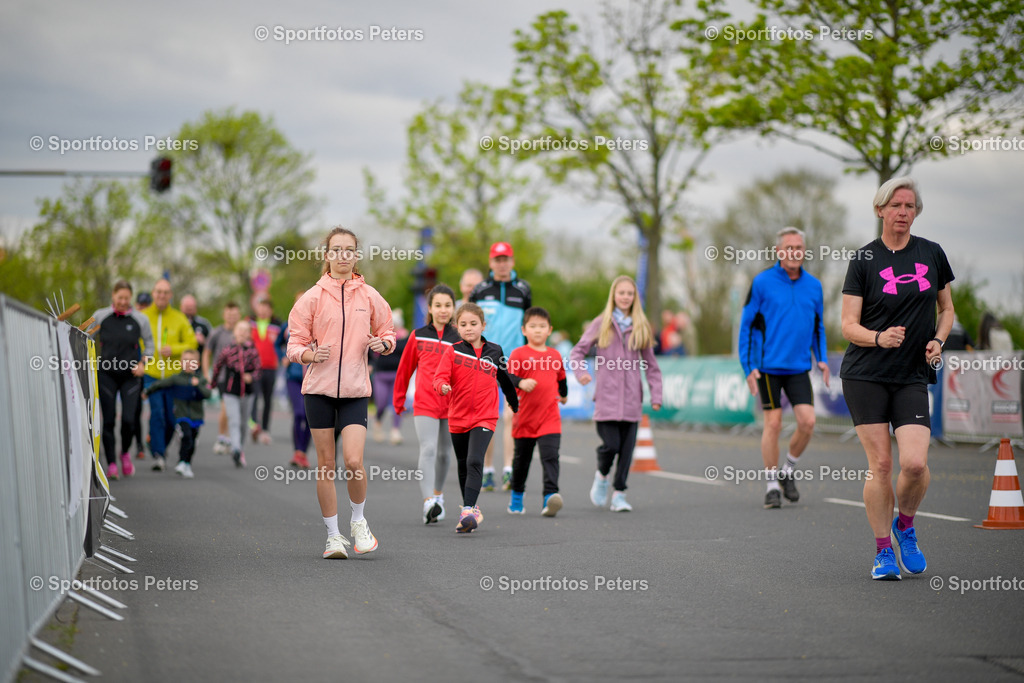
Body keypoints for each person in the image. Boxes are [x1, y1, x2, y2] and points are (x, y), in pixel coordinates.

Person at [839, 177, 954, 581]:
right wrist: (878, 337)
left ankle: (905, 524)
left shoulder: (932, 253)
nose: (904, 212)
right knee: (882, 464)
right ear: (880, 210)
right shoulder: (864, 259)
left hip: (911, 375)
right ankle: (882, 551)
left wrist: (939, 340)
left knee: (917, 463)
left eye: (910, 206)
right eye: (896, 205)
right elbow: (847, 326)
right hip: (865, 374)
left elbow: (947, 309)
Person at [286, 226, 395, 559]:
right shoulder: (313, 298)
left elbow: (388, 331)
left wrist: (384, 344)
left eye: (350, 250)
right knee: (326, 464)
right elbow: (294, 343)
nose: (343, 255)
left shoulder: (369, 296)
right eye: (337, 250)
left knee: (354, 462)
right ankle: (333, 537)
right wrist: (308, 355)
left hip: (354, 390)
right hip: (318, 390)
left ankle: (358, 522)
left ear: (356, 255)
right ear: (327, 255)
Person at [738, 227, 830, 509]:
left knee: (808, 422)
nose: (794, 252)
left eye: (799, 248)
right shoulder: (762, 282)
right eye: (789, 247)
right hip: (767, 368)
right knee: (774, 423)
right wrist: (748, 366)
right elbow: (747, 325)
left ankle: (787, 471)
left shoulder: (814, 286)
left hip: (799, 367)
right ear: (779, 251)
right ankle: (770, 486)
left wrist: (822, 358)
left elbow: (819, 326)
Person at [570, 275, 662, 512]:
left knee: (627, 450)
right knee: (610, 446)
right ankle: (601, 476)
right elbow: (577, 352)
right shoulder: (601, 323)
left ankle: (619, 494)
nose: (625, 297)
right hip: (606, 399)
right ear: (614, 295)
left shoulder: (641, 326)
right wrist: (582, 375)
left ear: (635, 298)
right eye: (621, 293)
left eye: (629, 293)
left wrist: (656, 394)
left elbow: (652, 365)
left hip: (632, 401)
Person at [433, 302, 522, 533]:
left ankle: (468, 510)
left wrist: (513, 402)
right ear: (456, 327)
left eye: (473, 324)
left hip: (485, 416)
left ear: (483, 325)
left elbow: (504, 378)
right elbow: (440, 376)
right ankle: (470, 512)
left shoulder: (495, 351)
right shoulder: (452, 351)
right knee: (463, 465)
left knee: (474, 460)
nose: (468, 328)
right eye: (463, 324)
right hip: (458, 417)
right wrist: (442, 385)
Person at [393, 284, 461, 524]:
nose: (443, 310)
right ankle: (427, 502)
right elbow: (404, 370)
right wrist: (399, 400)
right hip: (425, 402)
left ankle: (438, 495)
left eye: (448, 305)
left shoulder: (460, 338)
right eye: (438, 305)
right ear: (430, 308)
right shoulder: (418, 335)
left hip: (452, 405)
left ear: (454, 308)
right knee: (429, 449)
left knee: (444, 453)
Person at [469, 242, 532, 492]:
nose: (502, 264)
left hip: (513, 362)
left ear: (512, 261)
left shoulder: (523, 289)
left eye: (506, 259)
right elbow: (470, 325)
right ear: (491, 262)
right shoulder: (480, 290)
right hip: (484, 360)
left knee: (511, 416)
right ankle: (487, 470)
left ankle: (509, 469)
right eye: (498, 259)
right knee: (487, 418)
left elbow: (529, 325)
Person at [507, 307, 567, 516]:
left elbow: (561, 378)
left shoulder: (555, 354)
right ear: (524, 330)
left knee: (550, 456)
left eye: (542, 326)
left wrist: (564, 394)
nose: (538, 331)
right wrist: (521, 382)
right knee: (521, 461)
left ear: (549, 330)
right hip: (525, 418)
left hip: (550, 417)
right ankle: (516, 497)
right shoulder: (518, 354)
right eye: (533, 326)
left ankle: (550, 497)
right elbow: (507, 378)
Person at [92, 280, 153, 480]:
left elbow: (150, 345)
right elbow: (83, 338)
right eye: (120, 298)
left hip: (131, 376)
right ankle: (111, 464)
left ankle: (125, 453)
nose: (123, 302)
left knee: (128, 420)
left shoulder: (140, 319)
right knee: (108, 421)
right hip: (107, 374)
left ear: (131, 298)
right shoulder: (101, 316)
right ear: (113, 296)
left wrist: (143, 363)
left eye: (127, 298)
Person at [140, 279, 198, 471]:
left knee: (172, 420)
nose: (162, 296)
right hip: (152, 373)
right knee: (156, 413)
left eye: (165, 292)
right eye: (158, 292)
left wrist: (173, 349)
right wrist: (142, 359)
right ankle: (158, 454)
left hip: (173, 376)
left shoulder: (179, 318)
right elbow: (136, 342)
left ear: (170, 295)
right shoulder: (143, 316)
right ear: (153, 293)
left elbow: (192, 344)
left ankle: (159, 446)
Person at [143, 349, 210, 478]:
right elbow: (160, 384)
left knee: (192, 441)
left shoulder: (200, 379)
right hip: (181, 415)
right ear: (180, 363)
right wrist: (147, 391)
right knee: (186, 437)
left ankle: (187, 463)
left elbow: (208, 394)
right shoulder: (176, 379)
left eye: (192, 362)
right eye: (185, 361)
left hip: (196, 417)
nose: (188, 364)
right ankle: (181, 461)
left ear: (198, 364)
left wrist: (198, 386)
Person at [210, 321, 262, 468]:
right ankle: (236, 449)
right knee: (234, 420)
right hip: (230, 391)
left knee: (243, 423)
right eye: (239, 330)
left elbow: (259, 369)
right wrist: (212, 384)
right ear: (235, 332)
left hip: (248, 392)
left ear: (249, 334)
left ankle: (241, 448)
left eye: (245, 330)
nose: (242, 333)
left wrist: (251, 377)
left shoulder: (252, 351)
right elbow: (217, 367)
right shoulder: (228, 350)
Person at [277, 293, 312, 469]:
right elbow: (278, 344)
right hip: (294, 376)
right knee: (299, 413)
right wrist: (282, 357)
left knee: (309, 417)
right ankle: (297, 451)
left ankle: (303, 453)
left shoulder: (316, 323)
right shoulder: (287, 325)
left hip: (312, 378)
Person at [203, 302, 242, 455]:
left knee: (235, 409)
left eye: (234, 315)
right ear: (224, 315)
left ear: (238, 316)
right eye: (229, 315)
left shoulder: (242, 332)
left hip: (238, 377)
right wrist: (207, 373)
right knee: (226, 406)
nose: (232, 318)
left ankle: (230, 437)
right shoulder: (217, 333)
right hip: (222, 376)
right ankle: (221, 437)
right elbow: (207, 352)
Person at [371, 309, 408, 445]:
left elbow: (408, 354)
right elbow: (372, 352)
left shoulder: (405, 337)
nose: (395, 327)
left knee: (397, 403)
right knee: (380, 403)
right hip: (381, 374)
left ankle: (395, 431)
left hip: (398, 375)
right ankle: (378, 421)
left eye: (396, 324)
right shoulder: (381, 336)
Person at [250, 297, 282, 445]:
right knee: (255, 397)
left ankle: (265, 430)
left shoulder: (277, 325)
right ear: (257, 309)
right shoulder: (249, 323)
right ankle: (254, 425)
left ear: (270, 310)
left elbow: (286, 342)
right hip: (254, 367)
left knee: (268, 400)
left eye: (266, 308)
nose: (263, 311)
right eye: (260, 307)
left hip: (271, 367)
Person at [131, 290, 154, 460]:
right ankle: (139, 444)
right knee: (136, 410)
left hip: (153, 369)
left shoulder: (151, 322)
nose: (143, 309)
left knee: (155, 407)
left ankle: (151, 436)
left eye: (147, 306)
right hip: (136, 370)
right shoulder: (131, 320)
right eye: (141, 305)